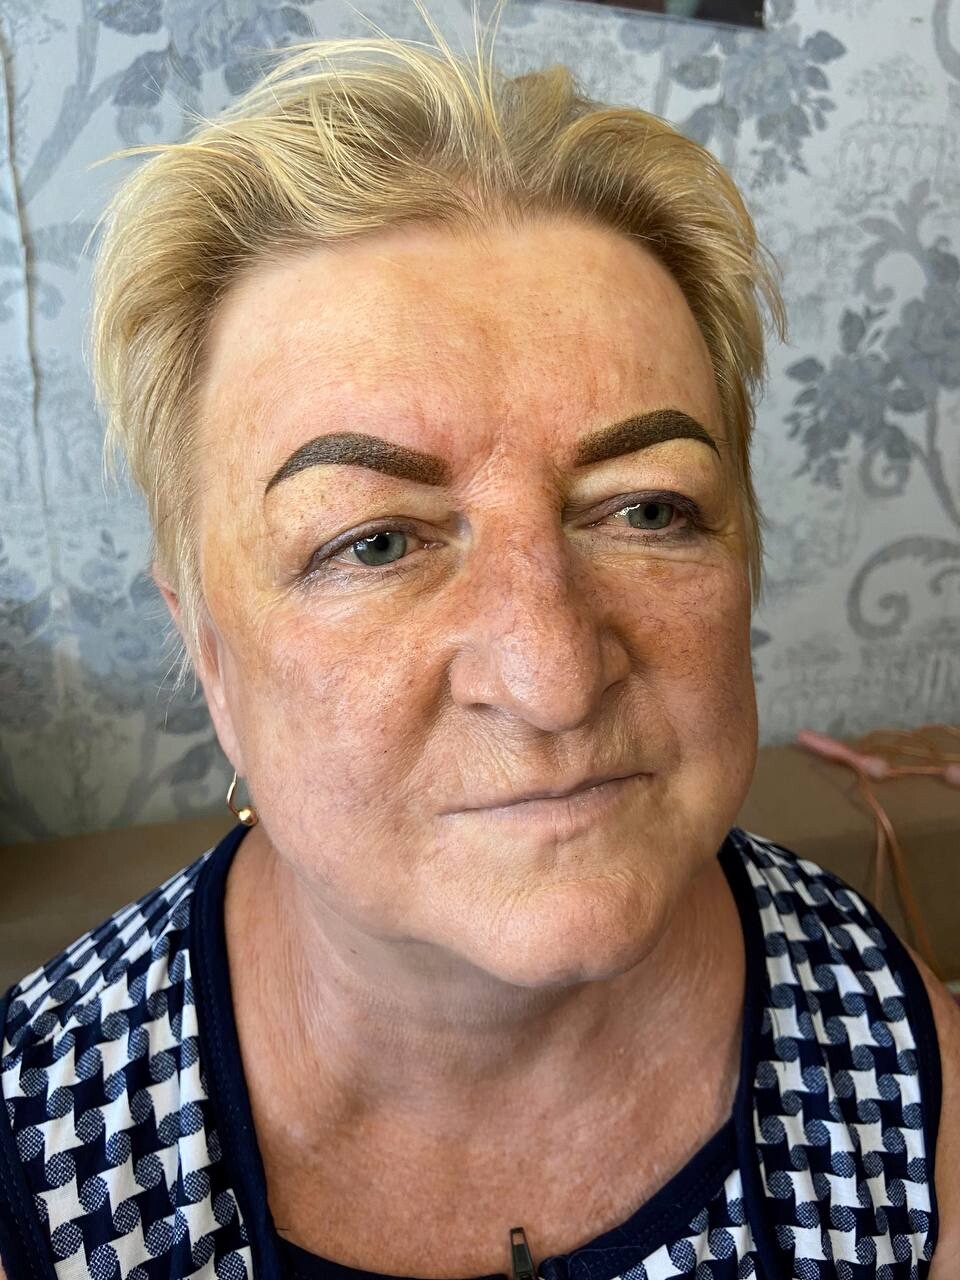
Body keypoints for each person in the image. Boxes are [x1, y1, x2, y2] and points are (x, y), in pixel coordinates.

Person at [1, 4, 958, 1278]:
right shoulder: (41, 1162)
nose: (552, 674)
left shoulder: (893, 1047)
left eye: (647, 508)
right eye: (374, 541)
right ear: (209, 651)